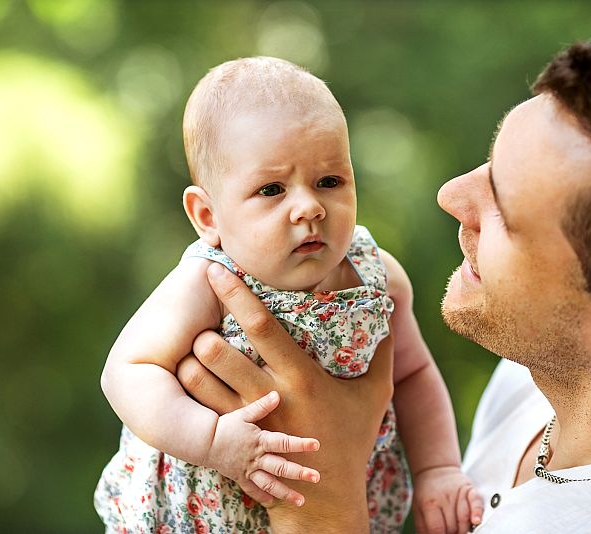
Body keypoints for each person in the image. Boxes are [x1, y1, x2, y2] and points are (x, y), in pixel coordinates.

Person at [176, 31, 591, 533]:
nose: (450, 195)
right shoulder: (540, 378)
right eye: (488, 165)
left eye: (504, 209)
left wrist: (323, 513)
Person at [94, 57, 481, 533]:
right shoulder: (208, 281)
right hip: (201, 512)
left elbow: (416, 374)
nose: (309, 207)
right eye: (272, 189)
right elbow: (127, 372)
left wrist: (438, 469)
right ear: (208, 216)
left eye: (329, 181)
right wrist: (213, 440)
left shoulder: (375, 275)